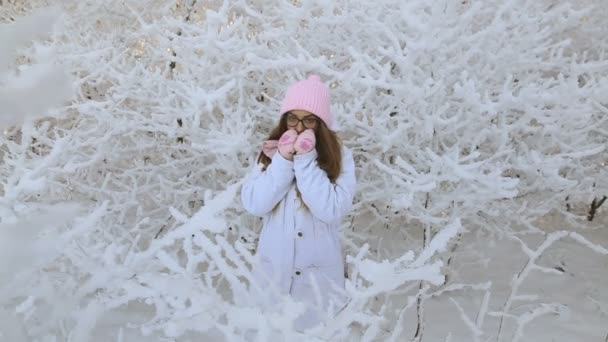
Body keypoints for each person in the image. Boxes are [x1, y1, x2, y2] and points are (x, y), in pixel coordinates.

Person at [241, 74, 356, 331]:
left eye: (309, 120)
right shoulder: (270, 153)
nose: (300, 127)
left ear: (322, 124)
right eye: (293, 117)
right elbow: (254, 203)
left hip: (317, 287)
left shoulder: (340, 158)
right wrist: (283, 160)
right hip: (272, 280)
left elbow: (331, 210)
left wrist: (305, 161)